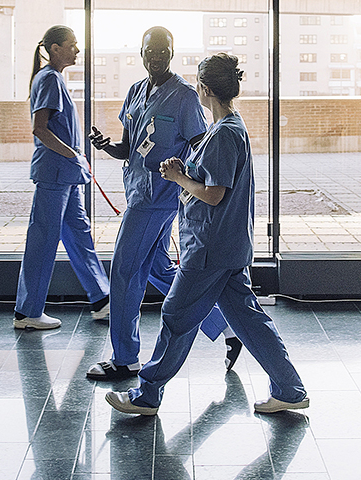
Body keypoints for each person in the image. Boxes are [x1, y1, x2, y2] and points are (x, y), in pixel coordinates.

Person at [105, 53, 308, 416]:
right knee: (249, 320)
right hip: (228, 246)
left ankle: (146, 395)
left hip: (209, 248)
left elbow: (214, 194)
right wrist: (186, 171)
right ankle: (290, 390)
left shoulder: (223, 135)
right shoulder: (229, 129)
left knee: (175, 317)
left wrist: (179, 178)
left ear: (204, 89)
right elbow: (214, 180)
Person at [86, 27, 241, 380]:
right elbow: (128, 147)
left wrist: (193, 188)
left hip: (157, 199)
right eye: (149, 50)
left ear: (172, 53)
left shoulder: (185, 96)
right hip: (137, 191)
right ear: (140, 52)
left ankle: (125, 358)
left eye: (163, 50)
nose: (156, 56)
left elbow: (203, 146)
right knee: (158, 269)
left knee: (124, 272)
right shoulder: (136, 92)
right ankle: (229, 328)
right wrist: (106, 145)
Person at [14, 25, 111, 330]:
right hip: (56, 173)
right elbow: (40, 129)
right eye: (72, 45)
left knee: (79, 235)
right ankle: (28, 312)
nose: (77, 51)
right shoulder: (49, 79)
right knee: (43, 240)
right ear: (55, 48)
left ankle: (101, 300)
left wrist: (74, 158)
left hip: (66, 174)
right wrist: (72, 154)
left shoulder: (54, 80)